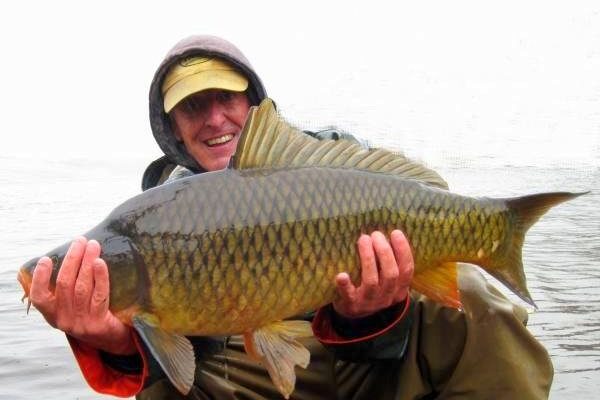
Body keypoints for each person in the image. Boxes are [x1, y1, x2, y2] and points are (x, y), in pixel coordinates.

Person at [28, 35, 554, 399]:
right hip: (252, 381)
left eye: (225, 98)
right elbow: (185, 369)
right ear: (173, 127)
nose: (214, 119)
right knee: (163, 383)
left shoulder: (329, 158)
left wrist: (370, 317)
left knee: (477, 300)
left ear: (253, 103)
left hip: (362, 368)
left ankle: (497, 239)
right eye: (193, 108)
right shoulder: (161, 211)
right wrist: (119, 343)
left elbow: (423, 212)